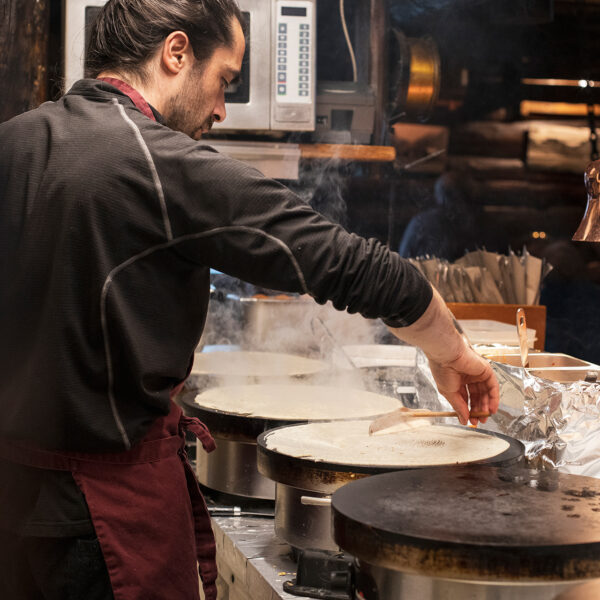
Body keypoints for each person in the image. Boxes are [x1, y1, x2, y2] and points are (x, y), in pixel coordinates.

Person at [0, 1, 499, 598]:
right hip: (104, 524)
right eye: (224, 81)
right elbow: (350, 264)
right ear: (176, 53)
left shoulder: (13, 143)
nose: (220, 108)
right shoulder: (161, 165)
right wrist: (453, 353)